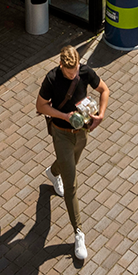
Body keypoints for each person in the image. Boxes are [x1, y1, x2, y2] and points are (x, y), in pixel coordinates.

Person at [35, 45, 108, 263]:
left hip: (82, 133)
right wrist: (64, 116)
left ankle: (52, 172)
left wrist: (101, 115)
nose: (73, 74)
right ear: (61, 65)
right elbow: (40, 106)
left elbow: (104, 90)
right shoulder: (51, 79)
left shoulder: (84, 72)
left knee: (69, 164)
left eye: (75, 70)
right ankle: (78, 233)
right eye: (69, 72)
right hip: (61, 135)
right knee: (71, 184)